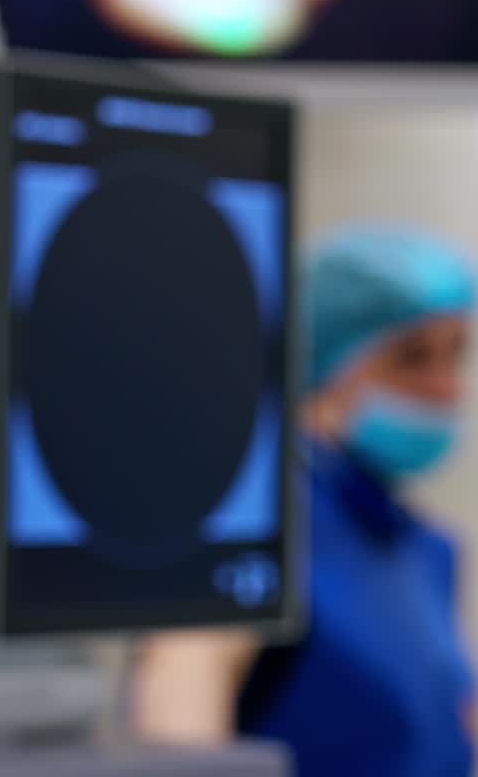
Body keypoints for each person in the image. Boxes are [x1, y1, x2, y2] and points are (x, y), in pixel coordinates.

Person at [133, 224, 476, 776]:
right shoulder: (256, 516)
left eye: (457, 354)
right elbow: (179, 713)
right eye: (412, 357)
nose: (445, 386)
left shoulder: (423, 547)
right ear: (324, 357)